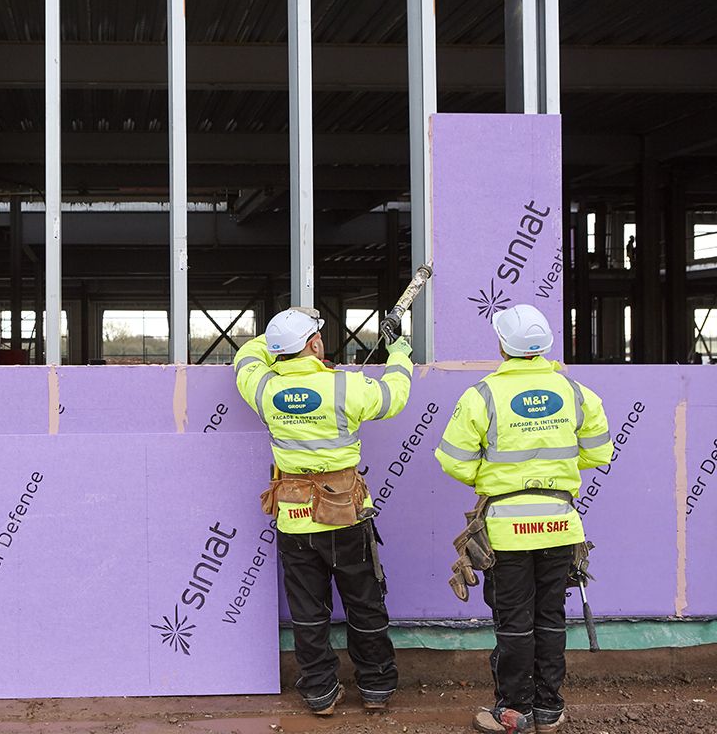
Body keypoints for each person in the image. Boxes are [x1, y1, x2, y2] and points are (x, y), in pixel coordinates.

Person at [435, 304, 613, 734]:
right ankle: (549, 710)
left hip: (507, 531)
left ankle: (514, 711)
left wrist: (498, 480)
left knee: (514, 623)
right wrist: (551, 474)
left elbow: (452, 460)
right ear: (546, 346)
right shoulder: (576, 393)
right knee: (550, 619)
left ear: (502, 345)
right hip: (561, 525)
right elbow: (599, 452)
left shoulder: (482, 395)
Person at [234, 306, 414, 715]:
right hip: (344, 514)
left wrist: (280, 334)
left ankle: (320, 692)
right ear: (314, 344)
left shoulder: (262, 388)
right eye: (316, 335)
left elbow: (246, 356)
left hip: (295, 517)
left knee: (308, 610)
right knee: (364, 601)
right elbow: (395, 396)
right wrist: (398, 349)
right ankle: (376, 687)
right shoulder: (344, 387)